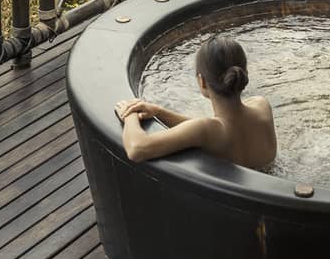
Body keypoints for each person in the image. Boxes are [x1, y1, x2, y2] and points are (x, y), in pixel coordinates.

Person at [115, 34, 276, 169]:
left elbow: (137, 149)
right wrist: (158, 112)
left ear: (202, 82)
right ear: (245, 72)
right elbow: (203, 128)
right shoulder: (262, 106)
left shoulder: (207, 131)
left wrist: (129, 114)